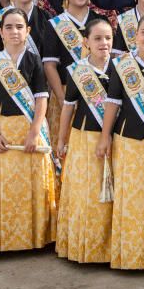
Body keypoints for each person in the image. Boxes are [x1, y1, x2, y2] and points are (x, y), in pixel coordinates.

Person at [0, 8, 56, 263]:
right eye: (9, 27)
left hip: (29, 128)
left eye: (19, 27)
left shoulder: (33, 60)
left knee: (33, 185)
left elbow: (41, 98)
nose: (14, 32)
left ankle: (36, 238)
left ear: (27, 31)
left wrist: (34, 131)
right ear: (0, 33)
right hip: (4, 129)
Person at [98, 13, 144, 270]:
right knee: (130, 198)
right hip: (127, 139)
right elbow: (112, 104)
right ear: (135, 35)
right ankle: (129, 255)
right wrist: (105, 136)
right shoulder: (122, 66)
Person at [55, 18, 115, 264]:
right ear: (86, 42)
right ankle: (84, 246)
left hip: (113, 138)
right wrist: (61, 139)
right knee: (86, 193)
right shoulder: (78, 70)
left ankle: (109, 248)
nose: (104, 43)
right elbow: (68, 108)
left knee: (110, 194)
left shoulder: (121, 68)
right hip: (83, 137)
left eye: (108, 38)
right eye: (98, 38)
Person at [42, 0, 106, 138]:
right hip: (64, 91)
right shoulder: (55, 25)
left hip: (97, 94)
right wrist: (64, 100)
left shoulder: (100, 21)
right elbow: (49, 65)